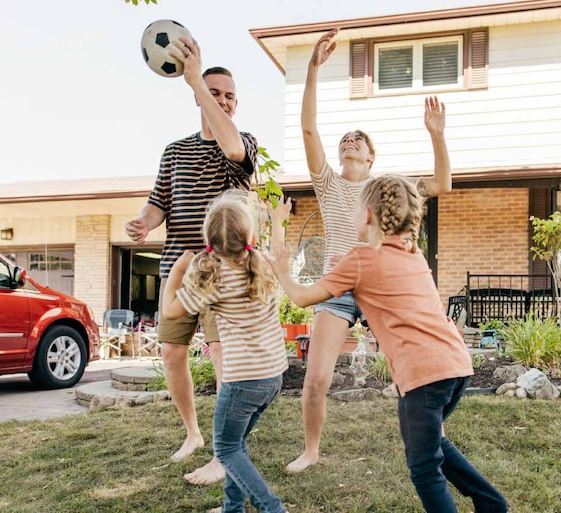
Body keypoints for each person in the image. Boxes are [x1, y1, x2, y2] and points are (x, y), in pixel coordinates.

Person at [265, 176, 508, 513]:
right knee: (431, 442)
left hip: (424, 375)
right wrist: (348, 268)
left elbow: (303, 296)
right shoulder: (413, 253)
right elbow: (380, 276)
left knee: (424, 468)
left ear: (366, 216)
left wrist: (280, 267)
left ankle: (492, 503)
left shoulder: (359, 260)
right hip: (455, 366)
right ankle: (491, 503)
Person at [287, 27, 452, 474]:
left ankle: (437, 438)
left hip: (383, 282)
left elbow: (440, 185)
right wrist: (312, 68)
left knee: (417, 370)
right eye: (346, 139)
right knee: (317, 378)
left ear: (372, 157)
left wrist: (437, 134)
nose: (350, 141)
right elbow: (307, 127)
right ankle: (311, 450)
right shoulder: (328, 183)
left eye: (359, 140)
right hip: (339, 286)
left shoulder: (386, 189)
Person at [125, 36, 256, 485]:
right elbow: (159, 201)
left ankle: (226, 450)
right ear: (197, 98)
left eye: (229, 96)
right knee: (171, 353)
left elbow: (235, 151)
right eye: (214, 92)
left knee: (222, 355)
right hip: (175, 270)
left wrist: (197, 80)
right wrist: (143, 223)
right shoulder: (174, 150)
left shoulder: (240, 143)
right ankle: (193, 434)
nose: (222, 100)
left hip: (223, 271)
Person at [162, 191, 290, 513]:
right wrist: (277, 222)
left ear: (209, 239)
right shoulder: (261, 264)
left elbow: (170, 312)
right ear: (249, 236)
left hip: (242, 381)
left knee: (227, 447)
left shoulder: (212, 278)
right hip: (273, 376)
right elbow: (278, 249)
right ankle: (233, 509)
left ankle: (272, 508)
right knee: (238, 444)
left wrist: (177, 272)